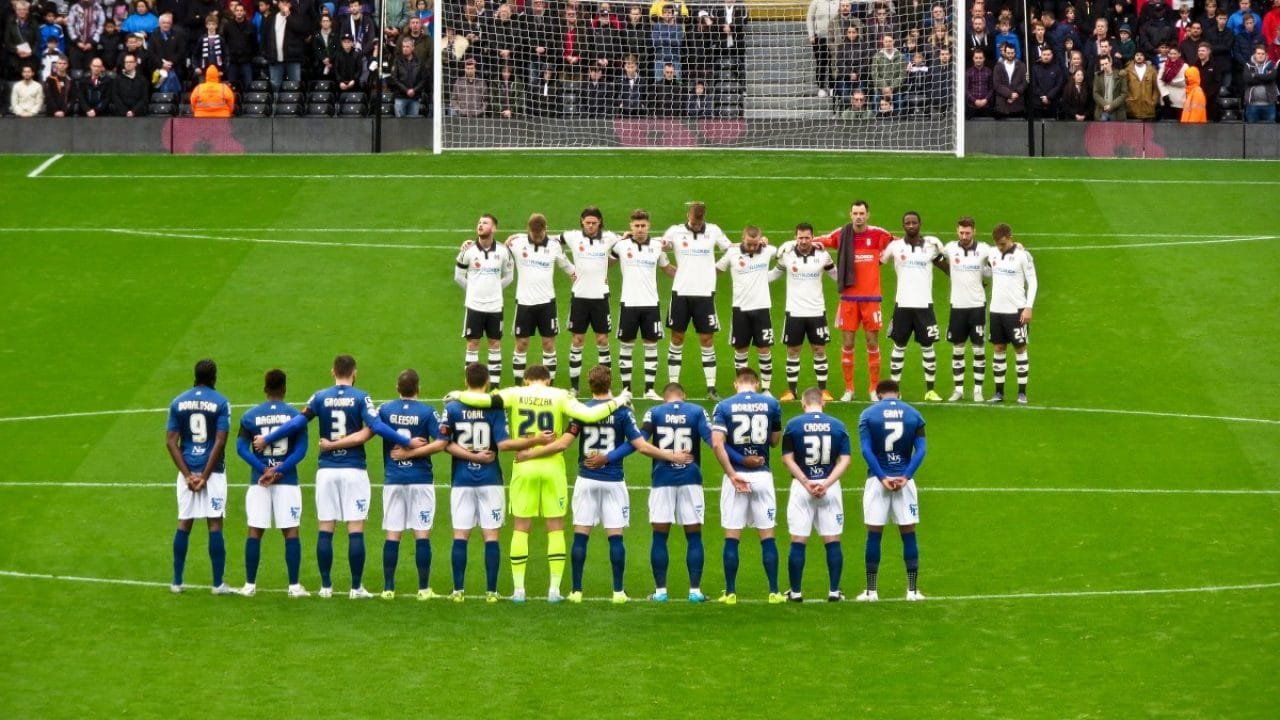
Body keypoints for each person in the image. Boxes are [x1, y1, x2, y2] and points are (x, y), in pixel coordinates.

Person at [451, 365, 632, 602]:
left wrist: (458, 395)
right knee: (555, 527)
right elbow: (589, 415)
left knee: (521, 527)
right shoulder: (560, 395)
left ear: (526, 380)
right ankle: (554, 591)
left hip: (524, 466)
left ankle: (518, 591)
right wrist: (618, 400)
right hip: (552, 467)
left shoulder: (515, 393)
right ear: (548, 380)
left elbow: (484, 401)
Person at [254, 355, 417, 598]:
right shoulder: (362, 397)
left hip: (327, 470)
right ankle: (355, 588)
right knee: (355, 528)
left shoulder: (319, 396)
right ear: (354, 372)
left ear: (333, 372)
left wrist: (268, 438)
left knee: (325, 528)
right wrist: (407, 441)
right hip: (354, 469)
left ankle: (326, 587)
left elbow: (297, 422)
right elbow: (378, 427)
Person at [562, 366, 691, 603]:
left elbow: (565, 442)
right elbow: (640, 445)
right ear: (610, 381)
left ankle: (576, 591)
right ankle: (618, 592)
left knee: (581, 535)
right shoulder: (622, 412)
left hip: (586, 479)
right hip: (613, 480)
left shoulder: (581, 410)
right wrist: (672, 456)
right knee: (615, 537)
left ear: (590, 385)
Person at [321, 369, 447, 600]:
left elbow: (364, 434)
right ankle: (423, 589)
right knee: (422, 534)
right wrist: (413, 452)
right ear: (419, 388)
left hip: (393, 480)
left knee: (393, 534)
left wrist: (332, 444)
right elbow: (441, 443)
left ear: (397, 389)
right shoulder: (428, 412)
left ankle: (388, 588)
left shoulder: (385, 410)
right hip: (420, 479)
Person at [437, 363, 549, 602]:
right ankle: (491, 591)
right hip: (490, 479)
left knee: (460, 535)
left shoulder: (453, 407)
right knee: (491, 536)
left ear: (466, 380)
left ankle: (458, 591)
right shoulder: (495, 408)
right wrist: (535, 441)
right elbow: (505, 444)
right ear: (487, 382)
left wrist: (470, 456)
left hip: (462, 479)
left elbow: (444, 443)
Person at [640, 382, 734, 603]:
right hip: (691, 478)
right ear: (684, 395)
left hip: (662, 479)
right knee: (693, 536)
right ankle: (695, 591)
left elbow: (640, 443)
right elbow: (713, 441)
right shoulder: (696, 411)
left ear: (665, 398)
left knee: (660, 536)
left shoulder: (653, 412)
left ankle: (661, 592)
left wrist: (667, 455)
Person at [710, 367, 784, 605]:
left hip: (736, 476)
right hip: (762, 475)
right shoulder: (771, 404)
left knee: (732, 536)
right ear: (758, 382)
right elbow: (774, 441)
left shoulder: (723, 406)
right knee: (767, 536)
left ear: (736, 384)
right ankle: (774, 592)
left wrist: (733, 471)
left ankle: (730, 593)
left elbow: (717, 444)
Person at [234, 369, 309, 598]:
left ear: (265, 389)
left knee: (255, 530)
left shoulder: (249, 416)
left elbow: (240, 448)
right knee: (291, 531)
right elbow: (301, 450)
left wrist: (264, 469)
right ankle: (294, 586)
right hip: (287, 481)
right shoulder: (296, 416)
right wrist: (279, 470)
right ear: (285, 389)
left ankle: (249, 585)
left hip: (259, 481)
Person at [816, 199, 895, 402]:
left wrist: (883, 258)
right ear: (850, 215)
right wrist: (796, 242)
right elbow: (820, 241)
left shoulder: (879, 234)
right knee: (848, 343)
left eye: (862, 213)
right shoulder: (842, 234)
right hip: (849, 298)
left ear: (868, 215)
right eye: (855, 213)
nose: (859, 217)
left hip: (871, 298)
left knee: (872, 342)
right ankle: (849, 389)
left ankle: (873, 389)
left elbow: (900, 244)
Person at [856, 379, 926, 602]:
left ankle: (871, 591)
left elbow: (866, 450)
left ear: (878, 395)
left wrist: (882, 476)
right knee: (908, 533)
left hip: (878, 482)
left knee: (874, 533)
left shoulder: (868, 415)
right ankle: (912, 591)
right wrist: (906, 476)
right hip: (904, 481)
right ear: (899, 393)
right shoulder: (914, 414)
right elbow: (921, 450)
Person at [165, 359, 232, 595]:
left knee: (184, 522)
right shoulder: (221, 402)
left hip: (187, 471)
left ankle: (177, 581)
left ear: (195, 375)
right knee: (214, 523)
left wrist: (187, 475)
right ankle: (217, 584)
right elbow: (221, 441)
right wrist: (204, 476)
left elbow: (171, 441)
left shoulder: (178, 402)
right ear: (214, 377)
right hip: (212, 474)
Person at [781, 388, 852, 602]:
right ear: (823, 403)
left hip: (802, 488)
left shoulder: (793, 425)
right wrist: (827, 483)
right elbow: (845, 460)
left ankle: (795, 592)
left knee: (798, 540)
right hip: (829, 488)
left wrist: (806, 482)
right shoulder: (838, 425)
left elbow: (787, 459)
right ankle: (833, 591)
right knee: (832, 540)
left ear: (803, 404)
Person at [661, 201, 732, 400]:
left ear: (704, 219)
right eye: (694, 222)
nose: (696, 225)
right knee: (677, 338)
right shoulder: (675, 231)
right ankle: (673, 384)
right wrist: (667, 265)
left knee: (707, 340)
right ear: (688, 216)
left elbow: (731, 249)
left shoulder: (714, 230)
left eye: (699, 223)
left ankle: (711, 388)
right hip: (681, 293)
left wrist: (718, 267)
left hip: (705, 293)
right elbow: (659, 246)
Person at [882, 211, 948, 401]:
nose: (911, 225)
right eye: (907, 223)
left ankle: (930, 390)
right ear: (903, 226)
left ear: (920, 223)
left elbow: (945, 265)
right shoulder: (894, 247)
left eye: (914, 222)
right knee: (899, 346)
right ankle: (894, 392)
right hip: (902, 304)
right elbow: (876, 261)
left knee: (928, 347)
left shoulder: (931, 246)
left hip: (924, 305)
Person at [769, 222, 837, 402]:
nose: (804, 241)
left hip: (816, 311)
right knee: (793, 350)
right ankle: (791, 391)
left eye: (807, 237)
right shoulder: (787, 256)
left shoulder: (823, 255)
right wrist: (756, 279)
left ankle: (823, 390)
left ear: (813, 237)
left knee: (819, 349)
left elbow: (836, 275)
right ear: (795, 237)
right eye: (800, 237)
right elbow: (775, 274)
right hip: (794, 311)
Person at [613, 209, 676, 399]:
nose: (640, 229)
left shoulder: (657, 246)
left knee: (651, 345)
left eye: (643, 226)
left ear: (649, 226)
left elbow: (668, 268)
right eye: (636, 226)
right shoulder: (621, 246)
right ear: (630, 226)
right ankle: (627, 390)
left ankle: (649, 390)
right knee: (626, 346)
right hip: (629, 303)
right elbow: (607, 262)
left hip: (651, 304)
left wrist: (691, 277)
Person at [508, 213, 575, 384]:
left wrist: (583, 275)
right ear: (527, 229)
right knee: (522, 344)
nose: (536, 237)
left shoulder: (554, 246)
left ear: (546, 229)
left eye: (540, 234)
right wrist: (468, 245)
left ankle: (548, 386)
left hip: (547, 304)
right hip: (524, 303)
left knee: (548, 344)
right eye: (533, 234)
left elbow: (567, 266)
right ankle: (518, 386)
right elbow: (496, 250)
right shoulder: (516, 243)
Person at [561, 207, 621, 394]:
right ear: (582, 222)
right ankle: (574, 387)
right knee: (577, 340)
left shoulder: (610, 237)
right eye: (587, 222)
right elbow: (548, 241)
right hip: (579, 297)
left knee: (602, 341)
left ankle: (606, 386)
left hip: (600, 298)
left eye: (594, 223)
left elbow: (627, 244)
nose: (591, 226)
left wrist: (609, 261)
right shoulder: (572, 237)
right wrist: (518, 237)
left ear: (600, 223)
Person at [716, 225, 778, 394]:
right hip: (740, 309)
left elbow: (784, 253)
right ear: (743, 238)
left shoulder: (768, 250)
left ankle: (766, 389)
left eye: (756, 243)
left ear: (761, 240)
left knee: (764, 349)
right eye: (749, 243)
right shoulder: (732, 253)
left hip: (762, 308)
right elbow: (717, 270)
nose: (752, 247)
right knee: (741, 349)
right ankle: (742, 388)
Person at [455, 213, 514, 389]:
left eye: (485, 223)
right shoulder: (468, 250)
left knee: (495, 344)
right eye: (479, 222)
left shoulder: (503, 251)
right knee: (473, 344)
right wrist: (473, 291)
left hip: (495, 306)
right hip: (474, 306)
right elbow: (458, 276)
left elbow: (509, 276)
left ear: (494, 228)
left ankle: (495, 388)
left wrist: (495, 289)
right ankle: (472, 387)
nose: (480, 225)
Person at [986, 224, 1037, 404]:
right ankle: (998, 393)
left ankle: (1022, 393)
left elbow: (1033, 282)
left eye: (1003, 243)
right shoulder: (992, 253)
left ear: (1010, 237)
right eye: (998, 244)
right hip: (996, 310)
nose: (1000, 247)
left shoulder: (1023, 256)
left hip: (1016, 310)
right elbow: (986, 270)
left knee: (1020, 348)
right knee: (998, 348)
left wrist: (1028, 306)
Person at [943, 216, 991, 403]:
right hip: (957, 306)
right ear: (957, 231)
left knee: (978, 348)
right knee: (958, 348)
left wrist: (1017, 246)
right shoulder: (949, 248)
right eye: (961, 232)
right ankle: (958, 389)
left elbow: (999, 255)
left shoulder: (984, 249)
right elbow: (931, 252)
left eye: (967, 233)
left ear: (974, 232)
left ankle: (978, 390)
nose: (964, 236)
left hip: (977, 305)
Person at [388, 36, 427, 117]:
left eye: (407, 46)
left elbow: (424, 79)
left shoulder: (419, 62)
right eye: (403, 46)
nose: (405, 48)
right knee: (399, 125)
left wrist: (414, 90)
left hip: (414, 98)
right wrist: (406, 90)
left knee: (413, 126)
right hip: (400, 97)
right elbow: (394, 78)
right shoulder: (397, 61)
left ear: (412, 48)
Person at [806, 0, 836, 96]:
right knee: (821, 62)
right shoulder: (816, 2)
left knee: (834, 63)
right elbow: (809, 18)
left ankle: (832, 87)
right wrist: (811, 34)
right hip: (820, 37)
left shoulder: (838, 2)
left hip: (835, 38)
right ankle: (821, 88)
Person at [1242, 44, 1277, 123]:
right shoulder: (1248, 66)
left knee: (1270, 132)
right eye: (1258, 53)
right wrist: (1265, 78)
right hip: (1252, 106)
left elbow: (1272, 77)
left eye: (1262, 54)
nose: (1260, 55)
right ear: (1254, 55)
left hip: (1269, 105)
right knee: (1251, 132)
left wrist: (1255, 75)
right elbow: (1247, 80)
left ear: (1266, 55)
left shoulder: (1271, 65)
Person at [992, 41, 1026, 118]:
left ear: (1015, 53)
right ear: (1004, 52)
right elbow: (996, 84)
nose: (1010, 55)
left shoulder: (1022, 66)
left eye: (1012, 53)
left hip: (1017, 105)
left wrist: (1016, 93)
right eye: (1008, 53)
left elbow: (1024, 82)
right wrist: (1010, 94)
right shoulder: (998, 66)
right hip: (1002, 105)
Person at [1030, 45, 1064, 118]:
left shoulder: (1057, 68)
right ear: (1041, 55)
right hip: (1038, 104)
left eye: (1048, 55)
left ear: (1052, 55)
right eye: (1044, 54)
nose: (1046, 57)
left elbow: (1059, 85)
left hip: (1052, 103)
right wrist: (1043, 96)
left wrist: (1048, 97)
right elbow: (1033, 85)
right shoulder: (1035, 68)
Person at [1125, 50, 1160, 119]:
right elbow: (1124, 88)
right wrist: (1128, 100)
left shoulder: (1152, 70)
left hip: (1148, 108)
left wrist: (1153, 101)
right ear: (1134, 57)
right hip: (1132, 109)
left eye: (1141, 55)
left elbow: (1156, 88)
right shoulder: (1128, 70)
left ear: (1144, 57)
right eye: (1137, 55)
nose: (1139, 57)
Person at [1092, 54, 1127, 119]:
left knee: (1117, 129)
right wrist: (1105, 105)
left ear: (1110, 63)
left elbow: (1124, 94)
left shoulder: (1120, 75)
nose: (1105, 66)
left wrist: (1111, 106)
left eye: (1106, 63)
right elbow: (1095, 93)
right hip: (1102, 110)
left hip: (1116, 111)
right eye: (1102, 64)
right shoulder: (1098, 76)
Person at [965, 48, 994, 117]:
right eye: (976, 58)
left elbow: (992, 88)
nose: (978, 60)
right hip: (972, 106)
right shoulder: (968, 72)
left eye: (980, 58)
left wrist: (986, 100)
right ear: (973, 58)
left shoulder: (989, 71)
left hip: (986, 106)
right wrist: (974, 100)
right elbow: (965, 89)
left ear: (984, 59)